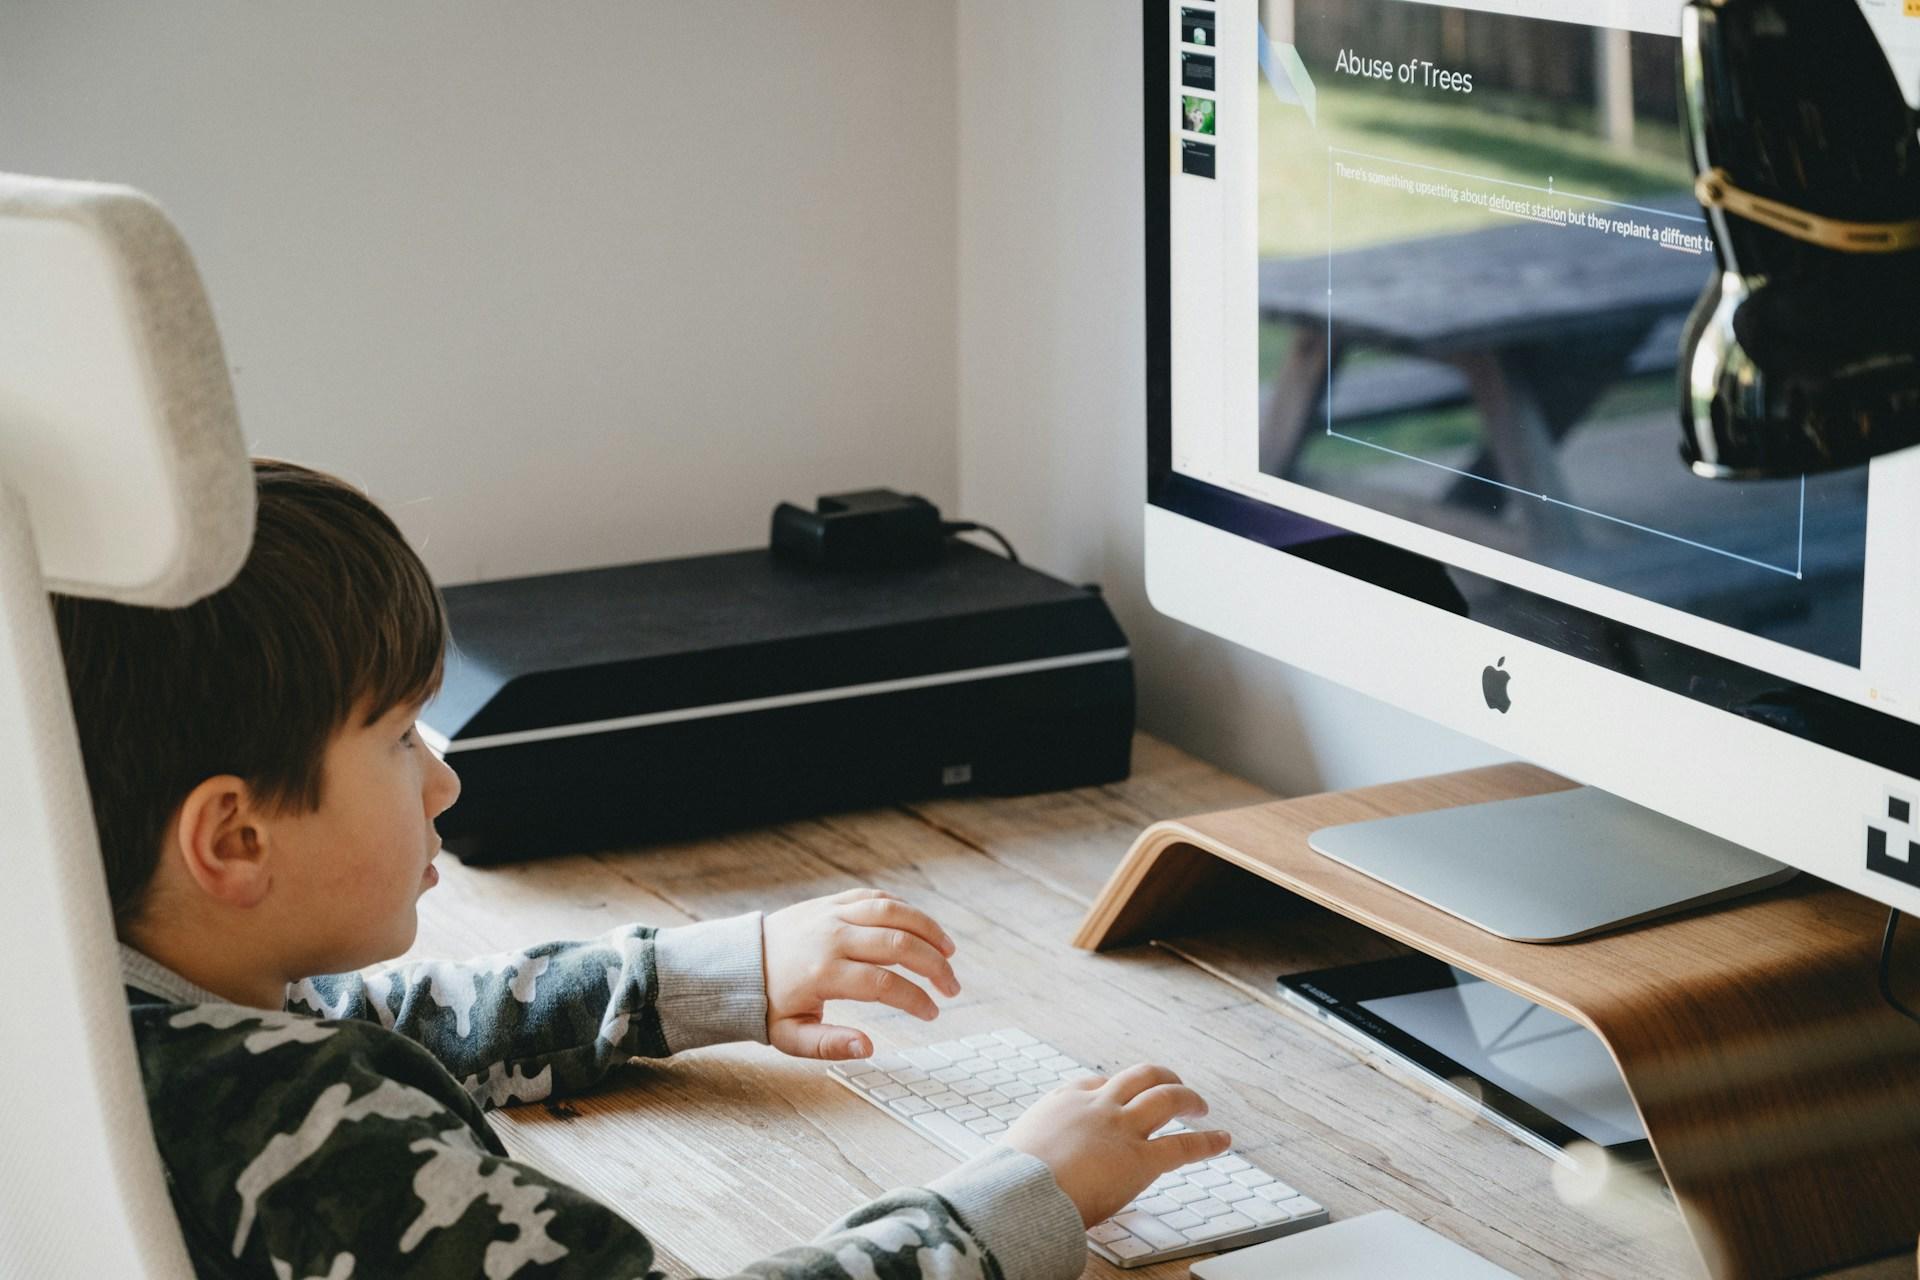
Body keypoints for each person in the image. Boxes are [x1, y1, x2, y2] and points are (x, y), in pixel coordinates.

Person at [53, 458, 1233, 1279]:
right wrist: (1028, 1190)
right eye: (400, 735)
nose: (444, 780)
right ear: (235, 840)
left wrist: (713, 971)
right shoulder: (309, 1123)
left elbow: (380, 1017)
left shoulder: (99, 1009)